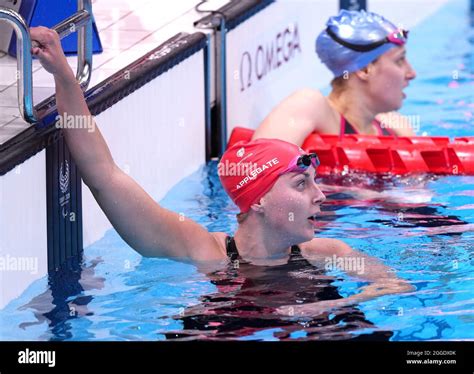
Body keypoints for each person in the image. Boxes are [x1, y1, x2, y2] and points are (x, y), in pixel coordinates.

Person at [29, 26, 412, 318]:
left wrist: (320, 310)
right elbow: (103, 173)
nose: (321, 195)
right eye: (301, 183)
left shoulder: (330, 253)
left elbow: (395, 284)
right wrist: (64, 74)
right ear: (258, 199)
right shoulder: (200, 250)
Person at [253, 10, 417, 146]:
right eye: (399, 60)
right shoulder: (310, 107)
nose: (411, 73)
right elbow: (253, 173)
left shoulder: (397, 127)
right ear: (365, 69)